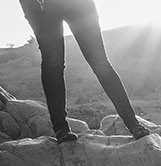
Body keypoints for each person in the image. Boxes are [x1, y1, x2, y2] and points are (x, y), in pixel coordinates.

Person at [18, 0, 150, 142]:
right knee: (53, 64)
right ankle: (61, 129)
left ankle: (133, 124)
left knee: (100, 62)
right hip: (40, 5)